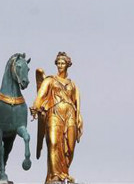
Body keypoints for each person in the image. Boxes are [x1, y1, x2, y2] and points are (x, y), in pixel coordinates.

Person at [30, 52, 83, 183]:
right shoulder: (50, 80)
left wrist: (79, 117)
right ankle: (54, 175)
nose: (60, 65)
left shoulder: (73, 85)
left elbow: (77, 104)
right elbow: (40, 96)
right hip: (54, 114)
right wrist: (35, 107)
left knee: (70, 147)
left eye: (63, 63)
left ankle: (64, 173)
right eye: (58, 63)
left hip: (70, 114)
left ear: (67, 65)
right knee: (53, 143)